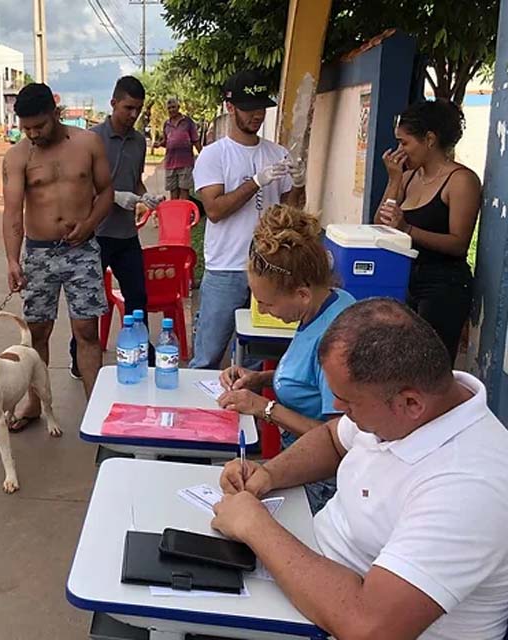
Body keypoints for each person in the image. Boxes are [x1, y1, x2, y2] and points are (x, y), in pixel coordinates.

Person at [213, 298, 508, 640]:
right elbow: (332, 439)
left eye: (349, 403)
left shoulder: (472, 487)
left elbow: (370, 627)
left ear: (410, 403)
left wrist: (255, 527)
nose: (337, 408)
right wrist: (270, 474)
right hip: (312, 581)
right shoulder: (404, 407)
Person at [216, 204, 355, 513]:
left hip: (321, 481)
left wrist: (264, 408)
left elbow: (340, 439)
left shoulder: (338, 339)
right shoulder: (327, 304)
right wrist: (260, 379)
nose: (262, 311)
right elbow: (310, 379)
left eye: (267, 304)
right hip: (295, 463)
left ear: (302, 294)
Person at [3, 83, 113, 430]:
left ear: (56, 111)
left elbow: (106, 190)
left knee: (86, 331)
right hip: (38, 254)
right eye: (27, 128)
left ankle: (94, 408)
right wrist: (12, 260)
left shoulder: (88, 144)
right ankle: (35, 404)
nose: (33, 134)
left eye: (40, 126)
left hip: (81, 251)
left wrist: (90, 224)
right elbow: (11, 212)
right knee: (38, 332)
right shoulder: (17, 156)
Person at [190, 70, 306, 369]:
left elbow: (289, 215)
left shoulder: (277, 153)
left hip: (267, 267)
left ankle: (247, 412)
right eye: (249, 108)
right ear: (230, 108)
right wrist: (255, 181)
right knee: (208, 355)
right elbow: (214, 211)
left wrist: (298, 184)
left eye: (262, 108)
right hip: (226, 268)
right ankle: (198, 413)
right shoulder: (214, 155)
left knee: (254, 357)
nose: (257, 115)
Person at [68, 76, 165, 378]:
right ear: (113, 103)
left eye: (137, 109)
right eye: (127, 108)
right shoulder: (91, 139)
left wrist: (143, 195)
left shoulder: (139, 141)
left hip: (126, 235)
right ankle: (78, 358)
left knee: (138, 297)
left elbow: (135, 179)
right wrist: (109, 197)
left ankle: (140, 354)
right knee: (89, 305)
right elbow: (76, 187)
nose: (133, 115)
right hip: (95, 234)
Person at [376, 100, 480, 365]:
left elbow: (459, 243)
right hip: (407, 278)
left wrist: (408, 229)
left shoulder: (460, 181)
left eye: (405, 143)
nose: (400, 150)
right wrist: (394, 180)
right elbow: (380, 222)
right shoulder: (410, 177)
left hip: (442, 285)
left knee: (430, 363)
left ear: (430, 140)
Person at [154, 97, 202, 201]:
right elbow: (166, 142)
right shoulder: (166, 124)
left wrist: (203, 156)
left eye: (173, 107)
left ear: (178, 107)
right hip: (170, 163)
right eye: (169, 108)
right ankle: (175, 214)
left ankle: (183, 215)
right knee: (173, 192)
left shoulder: (188, 122)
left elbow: (195, 140)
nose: (171, 110)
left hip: (185, 163)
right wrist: (159, 144)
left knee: (184, 191)